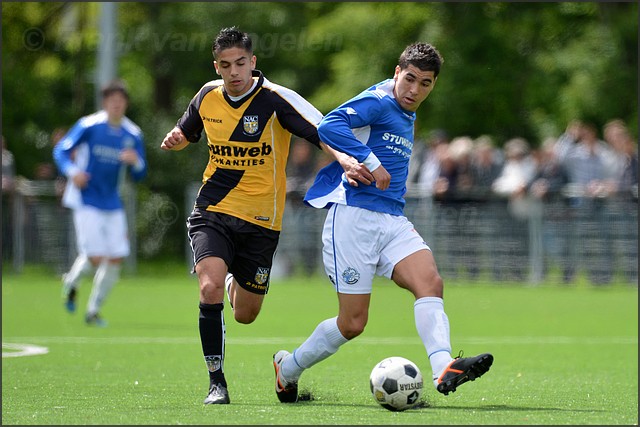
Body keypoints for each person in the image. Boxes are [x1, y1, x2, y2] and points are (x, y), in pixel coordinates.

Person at [272, 42, 493, 404]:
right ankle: (290, 368)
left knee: (430, 282)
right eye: (409, 79)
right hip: (353, 218)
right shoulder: (379, 99)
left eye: (425, 83)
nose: (415, 90)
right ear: (396, 72)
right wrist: (369, 161)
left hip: (391, 218)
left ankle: (443, 367)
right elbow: (331, 123)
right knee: (352, 324)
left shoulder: (408, 114)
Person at [160, 27, 369, 405]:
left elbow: (320, 130)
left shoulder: (274, 100)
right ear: (217, 67)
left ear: (253, 62)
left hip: (262, 221)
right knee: (208, 289)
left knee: (245, 314)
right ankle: (216, 383)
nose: (234, 71)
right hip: (214, 209)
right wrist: (176, 135)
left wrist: (343, 159)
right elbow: (187, 128)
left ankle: (228, 281)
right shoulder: (207, 95)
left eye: (240, 63)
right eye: (226, 65)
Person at [53, 79, 147, 326]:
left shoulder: (132, 133)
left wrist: (135, 161)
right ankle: (71, 283)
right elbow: (61, 151)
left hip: (112, 201)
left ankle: (93, 311)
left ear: (125, 103)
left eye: (121, 100)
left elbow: (140, 173)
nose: (116, 105)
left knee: (116, 257)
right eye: (111, 100)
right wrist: (72, 171)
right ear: (105, 103)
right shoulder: (89, 125)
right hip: (86, 199)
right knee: (95, 256)